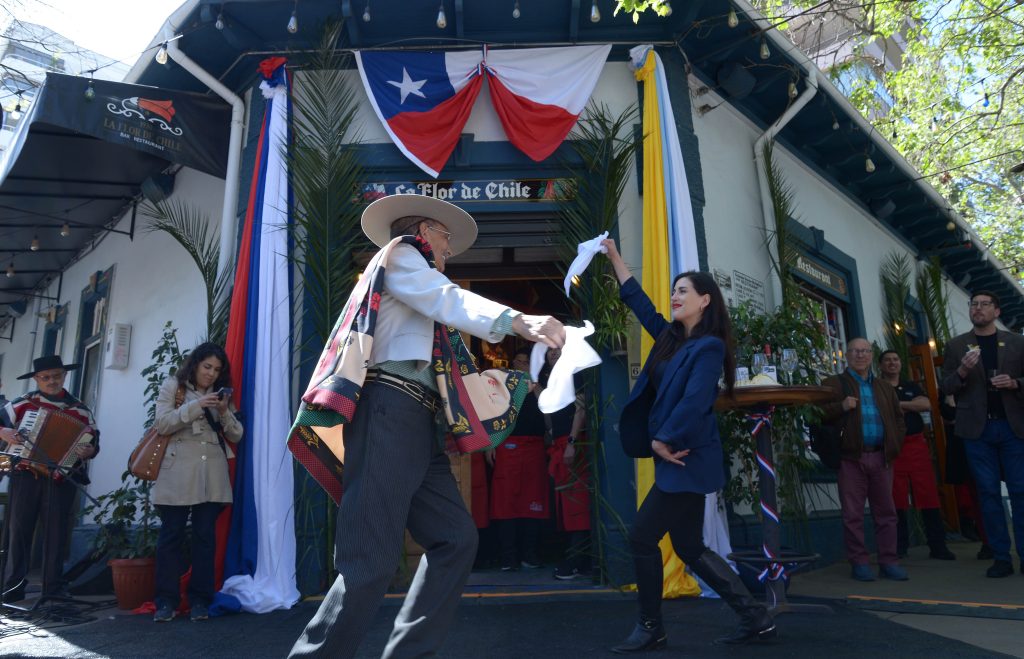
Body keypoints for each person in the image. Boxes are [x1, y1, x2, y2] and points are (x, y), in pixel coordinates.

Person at [288, 195, 565, 658]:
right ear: (422, 231)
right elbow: (446, 298)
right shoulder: (401, 254)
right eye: (446, 236)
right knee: (369, 562)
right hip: (389, 410)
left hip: (415, 421)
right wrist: (518, 320)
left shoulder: (419, 288)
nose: (450, 249)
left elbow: (446, 323)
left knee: (455, 539)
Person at [602, 239, 774, 653]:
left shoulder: (709, 347)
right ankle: (755, 617)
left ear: (704, 300)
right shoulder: (670, 338)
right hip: (675, 455)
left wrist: (664, 439)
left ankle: (651, 627)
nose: (675, 296)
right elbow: (639, 302)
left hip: (685, 456)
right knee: (690, 547)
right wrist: (614, 256)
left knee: (642, 537)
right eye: (673, 291)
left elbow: (696, 400)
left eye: (683, 291)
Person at [151, 343, 243, 622]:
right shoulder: (174, 387)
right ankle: (165, 601)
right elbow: (161, 424)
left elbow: (236, 435)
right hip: (177, 470)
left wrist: (224, 410)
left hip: (211, 473)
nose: (211, 373)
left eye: (216, 369)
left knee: (205, 538)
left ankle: (200, 600)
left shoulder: (221, 394)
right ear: (195, 364)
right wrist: (195, 406)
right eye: (207, 367)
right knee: (171, 536)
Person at [0, 355, 99, 602]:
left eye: (56, 376)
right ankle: (13, 589)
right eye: (45, 377)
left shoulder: (80, 409)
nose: (51, 381)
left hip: (61, 477)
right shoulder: (22, 404)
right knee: (19, 532)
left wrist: (89, 451)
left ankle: (52, 589)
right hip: (25, 474)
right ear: (36, 379)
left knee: (56, 534)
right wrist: (4, 432)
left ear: (64, 376)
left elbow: (94, 442)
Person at [941, 290, 1024, 578]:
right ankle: (1001, 557)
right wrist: (962, 371)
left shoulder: (1017, 342)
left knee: (1020, 491)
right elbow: (946, 387)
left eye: (984, 304)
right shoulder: (956, 346)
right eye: (974, 304)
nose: (978, 308)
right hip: (977, 430)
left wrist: (1015, 383)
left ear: (996, 312)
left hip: (1013, 428)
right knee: (987, 493)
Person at [822, 338, 908, 582]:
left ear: (871, 356)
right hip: (851, 458)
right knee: (853, 515)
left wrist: (894, 444)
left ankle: (889, 562)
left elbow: (899, 420)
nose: (860, 355)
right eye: (855, 351)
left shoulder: (884, 387)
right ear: (846, 355)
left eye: (865, 351)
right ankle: (859, 562)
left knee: (887, 513)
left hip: (881, 457)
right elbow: (816, 415)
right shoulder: (833, 384)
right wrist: (841, 406)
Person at [877, 350, 955, 560]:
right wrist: (909, 406)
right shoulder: (877, 387)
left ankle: (938, 546)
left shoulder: (911, 386)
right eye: (887, 360)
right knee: (896, 497)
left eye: (895, 359)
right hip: (892, 446)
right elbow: (879, 408)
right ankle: (899, 546)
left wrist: (898, 404)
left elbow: (925, 404)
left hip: (916, 445)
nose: (892, 363)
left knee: (928, 494)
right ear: (880, 365)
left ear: (900, 364)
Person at [488, 349, 550, 571]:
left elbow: (549, 408)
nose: (522, 366)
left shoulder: (541, 384)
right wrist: (491, 445)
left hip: (535, 447)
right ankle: (508, 557)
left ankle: (529, 555)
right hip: (508, 446)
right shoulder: (503, 384)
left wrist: (534, 384)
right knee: (505, 503)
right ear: (513, 363)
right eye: (519, 361)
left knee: (533, 501)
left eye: (527, 363)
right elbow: (493, 414)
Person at [540, 348, 592, 580]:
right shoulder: (553, 380)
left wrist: (572, 442)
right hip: (561, 445)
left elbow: (581, 409)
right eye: (549, 350)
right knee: (567, 506)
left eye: (558, 349)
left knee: (576, 506)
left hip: (574, 446)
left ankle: (576, 560)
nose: (553, 352)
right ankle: (579, 560)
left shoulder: (574, 374)